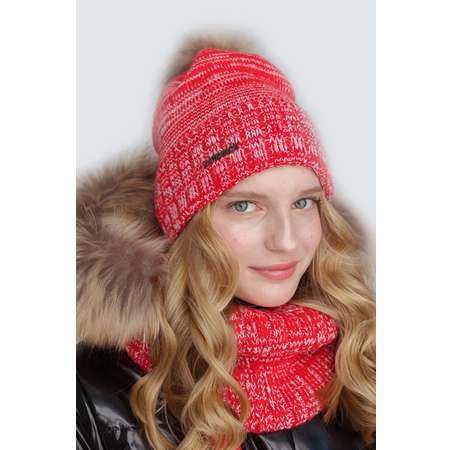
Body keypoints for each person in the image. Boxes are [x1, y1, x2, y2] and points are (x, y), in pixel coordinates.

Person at [76, 32, 376, 450]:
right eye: (244, 206)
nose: (286, 241)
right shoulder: (91, 393)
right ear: (186, 222)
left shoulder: (364, 359)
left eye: (303, 202)